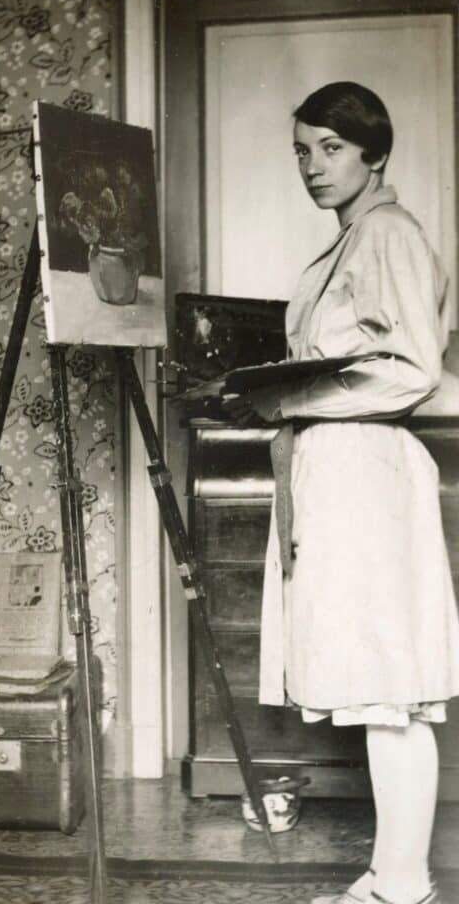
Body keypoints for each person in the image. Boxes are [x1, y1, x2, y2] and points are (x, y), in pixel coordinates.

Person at [225, 82, 459, 904]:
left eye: (330, 148)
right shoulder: (347, 243)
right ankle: (392, 878)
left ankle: (404, 885)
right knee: (374, 682)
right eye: (301, 151)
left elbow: (413, 371)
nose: (312, 166)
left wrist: (286, 398)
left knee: (391, 688)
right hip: (337, 474)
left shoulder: (388, 233)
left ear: (374, 155)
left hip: (368, 475)